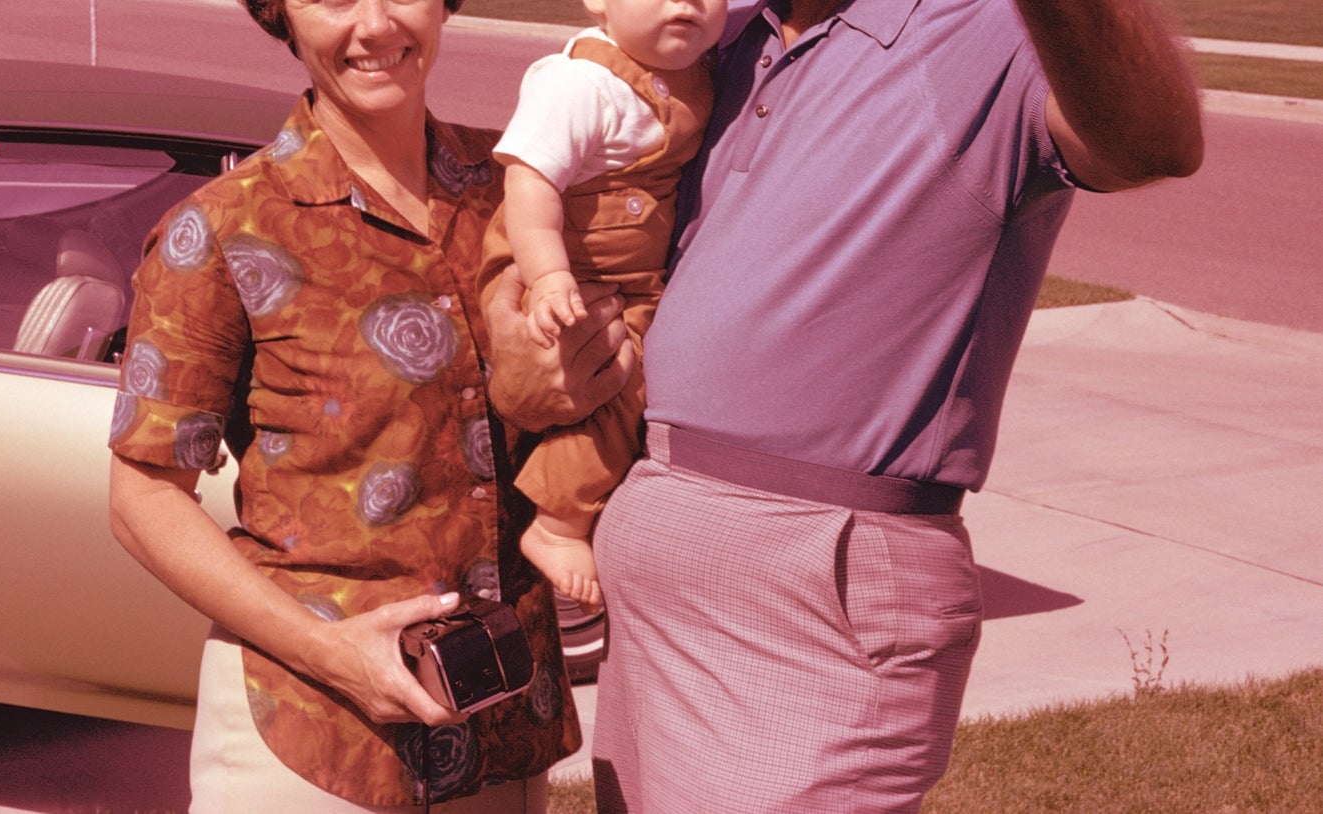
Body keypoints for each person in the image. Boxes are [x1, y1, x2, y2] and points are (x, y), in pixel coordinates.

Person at [484, 0, 1205, 810]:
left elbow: (1155, 144)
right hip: (653, 579)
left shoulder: (990, 29)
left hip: (817, 598)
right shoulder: (727, 35)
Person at [105, 0, 601, 810]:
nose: (374, 26)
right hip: (316, 737)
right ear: (283, 19)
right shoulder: (226, 228)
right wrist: (335, 656)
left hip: (503, 732)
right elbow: (140, 501)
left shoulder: (518, 198)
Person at [478, 0, 726, 613]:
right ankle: (557, 522)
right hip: (567, 263)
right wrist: (548, 276)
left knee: (641, 378)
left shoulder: (702, 68)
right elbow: (530, 185)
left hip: (632, 270)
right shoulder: (577, 83)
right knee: (622, 383)